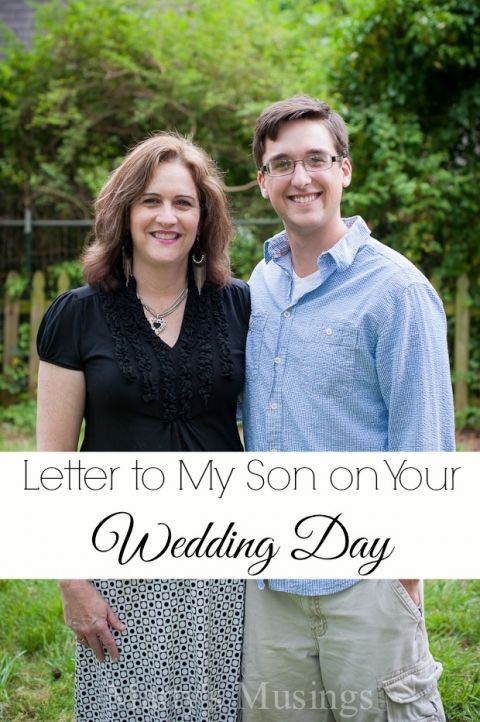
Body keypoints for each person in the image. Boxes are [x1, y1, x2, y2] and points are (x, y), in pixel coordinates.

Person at [242, 96, 455, 721]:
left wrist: (403, 582)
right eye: (282, 164)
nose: (300, 178)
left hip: (366, 582)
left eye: (316, 159)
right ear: (262, 182)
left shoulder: (397, 290)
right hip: (269, 581)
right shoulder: (257, 286)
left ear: (345, 170)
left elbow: (425, 443)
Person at [36, 132, 250, 722]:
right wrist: (72, 583)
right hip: (121, 566)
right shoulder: (78, 315)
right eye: (151, 201)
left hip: (224, 564)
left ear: (204, 217)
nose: (167, 216)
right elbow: (51, 468)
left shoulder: (239, 306)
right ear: (124, 212)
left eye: (184, 203)